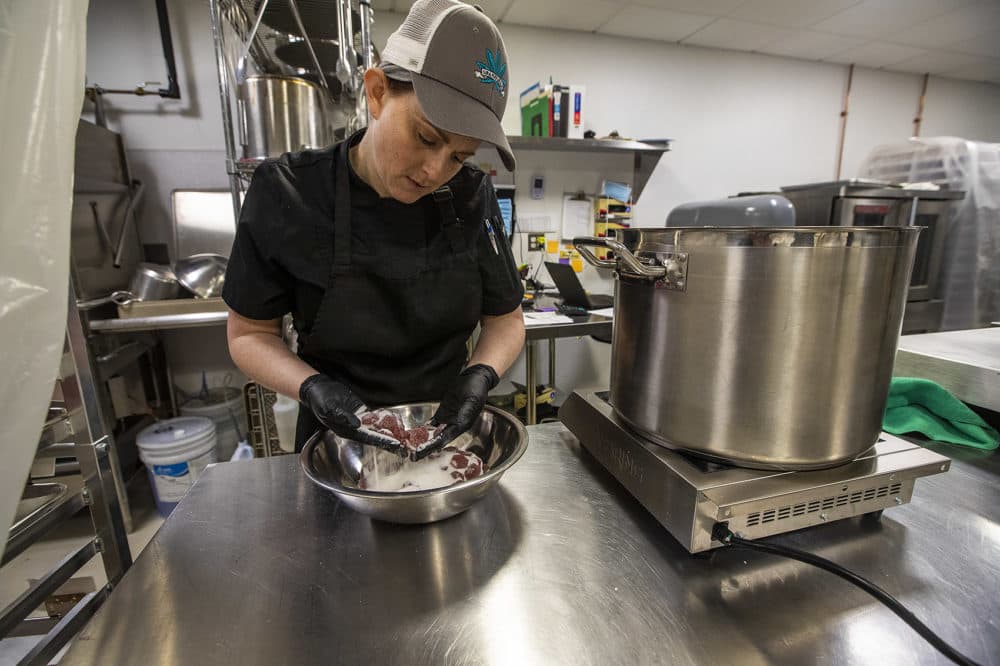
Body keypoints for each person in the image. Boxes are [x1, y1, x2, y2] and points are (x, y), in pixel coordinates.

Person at [222, 0, 525, 453]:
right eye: (426, 137)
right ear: (378, 91)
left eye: (460, 156)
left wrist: (479, 375)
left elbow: (506, 321)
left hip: (444, 438)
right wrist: (312, 388)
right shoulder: (288, 192)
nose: (435, 170)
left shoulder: (471, 195)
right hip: (337, 443)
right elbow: (249, 335)